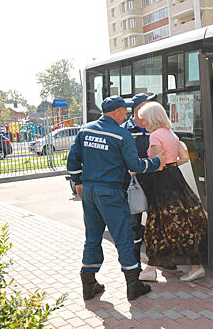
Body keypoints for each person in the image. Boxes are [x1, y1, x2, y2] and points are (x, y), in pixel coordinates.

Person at [67, 95, 165, 301]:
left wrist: (78, 181)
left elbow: (73, 160)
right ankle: (133, 286)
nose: (127, 114)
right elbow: (135, 166)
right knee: (123, 238)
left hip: (90, 192)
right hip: (111, 193)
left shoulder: (85, 129)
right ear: (116, 113)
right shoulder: (122, 135)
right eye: (124, 111)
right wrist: (157, 162)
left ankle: (89, 284)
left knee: (92, 237)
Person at [137, 102, 208, 282]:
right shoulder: (171, 134)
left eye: (144, 118)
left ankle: (156, 268)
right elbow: (183, 158)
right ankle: (153, 267)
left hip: (161, 183)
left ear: (151, 118)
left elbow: (156, 163)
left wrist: (139, 168)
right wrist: (171, 165)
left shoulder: (155, 136)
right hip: (175, 178)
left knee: (160, 223)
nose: (142, 121)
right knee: (177, 222)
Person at [121, 93, 157, 265]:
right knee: (133, 224)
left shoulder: (155, 128)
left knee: (156, 222)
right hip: (133, 185)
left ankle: (158, 260)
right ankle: (135, 263)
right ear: (139, 109)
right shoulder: (124, 130)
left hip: (154, 182)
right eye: (149, 104)